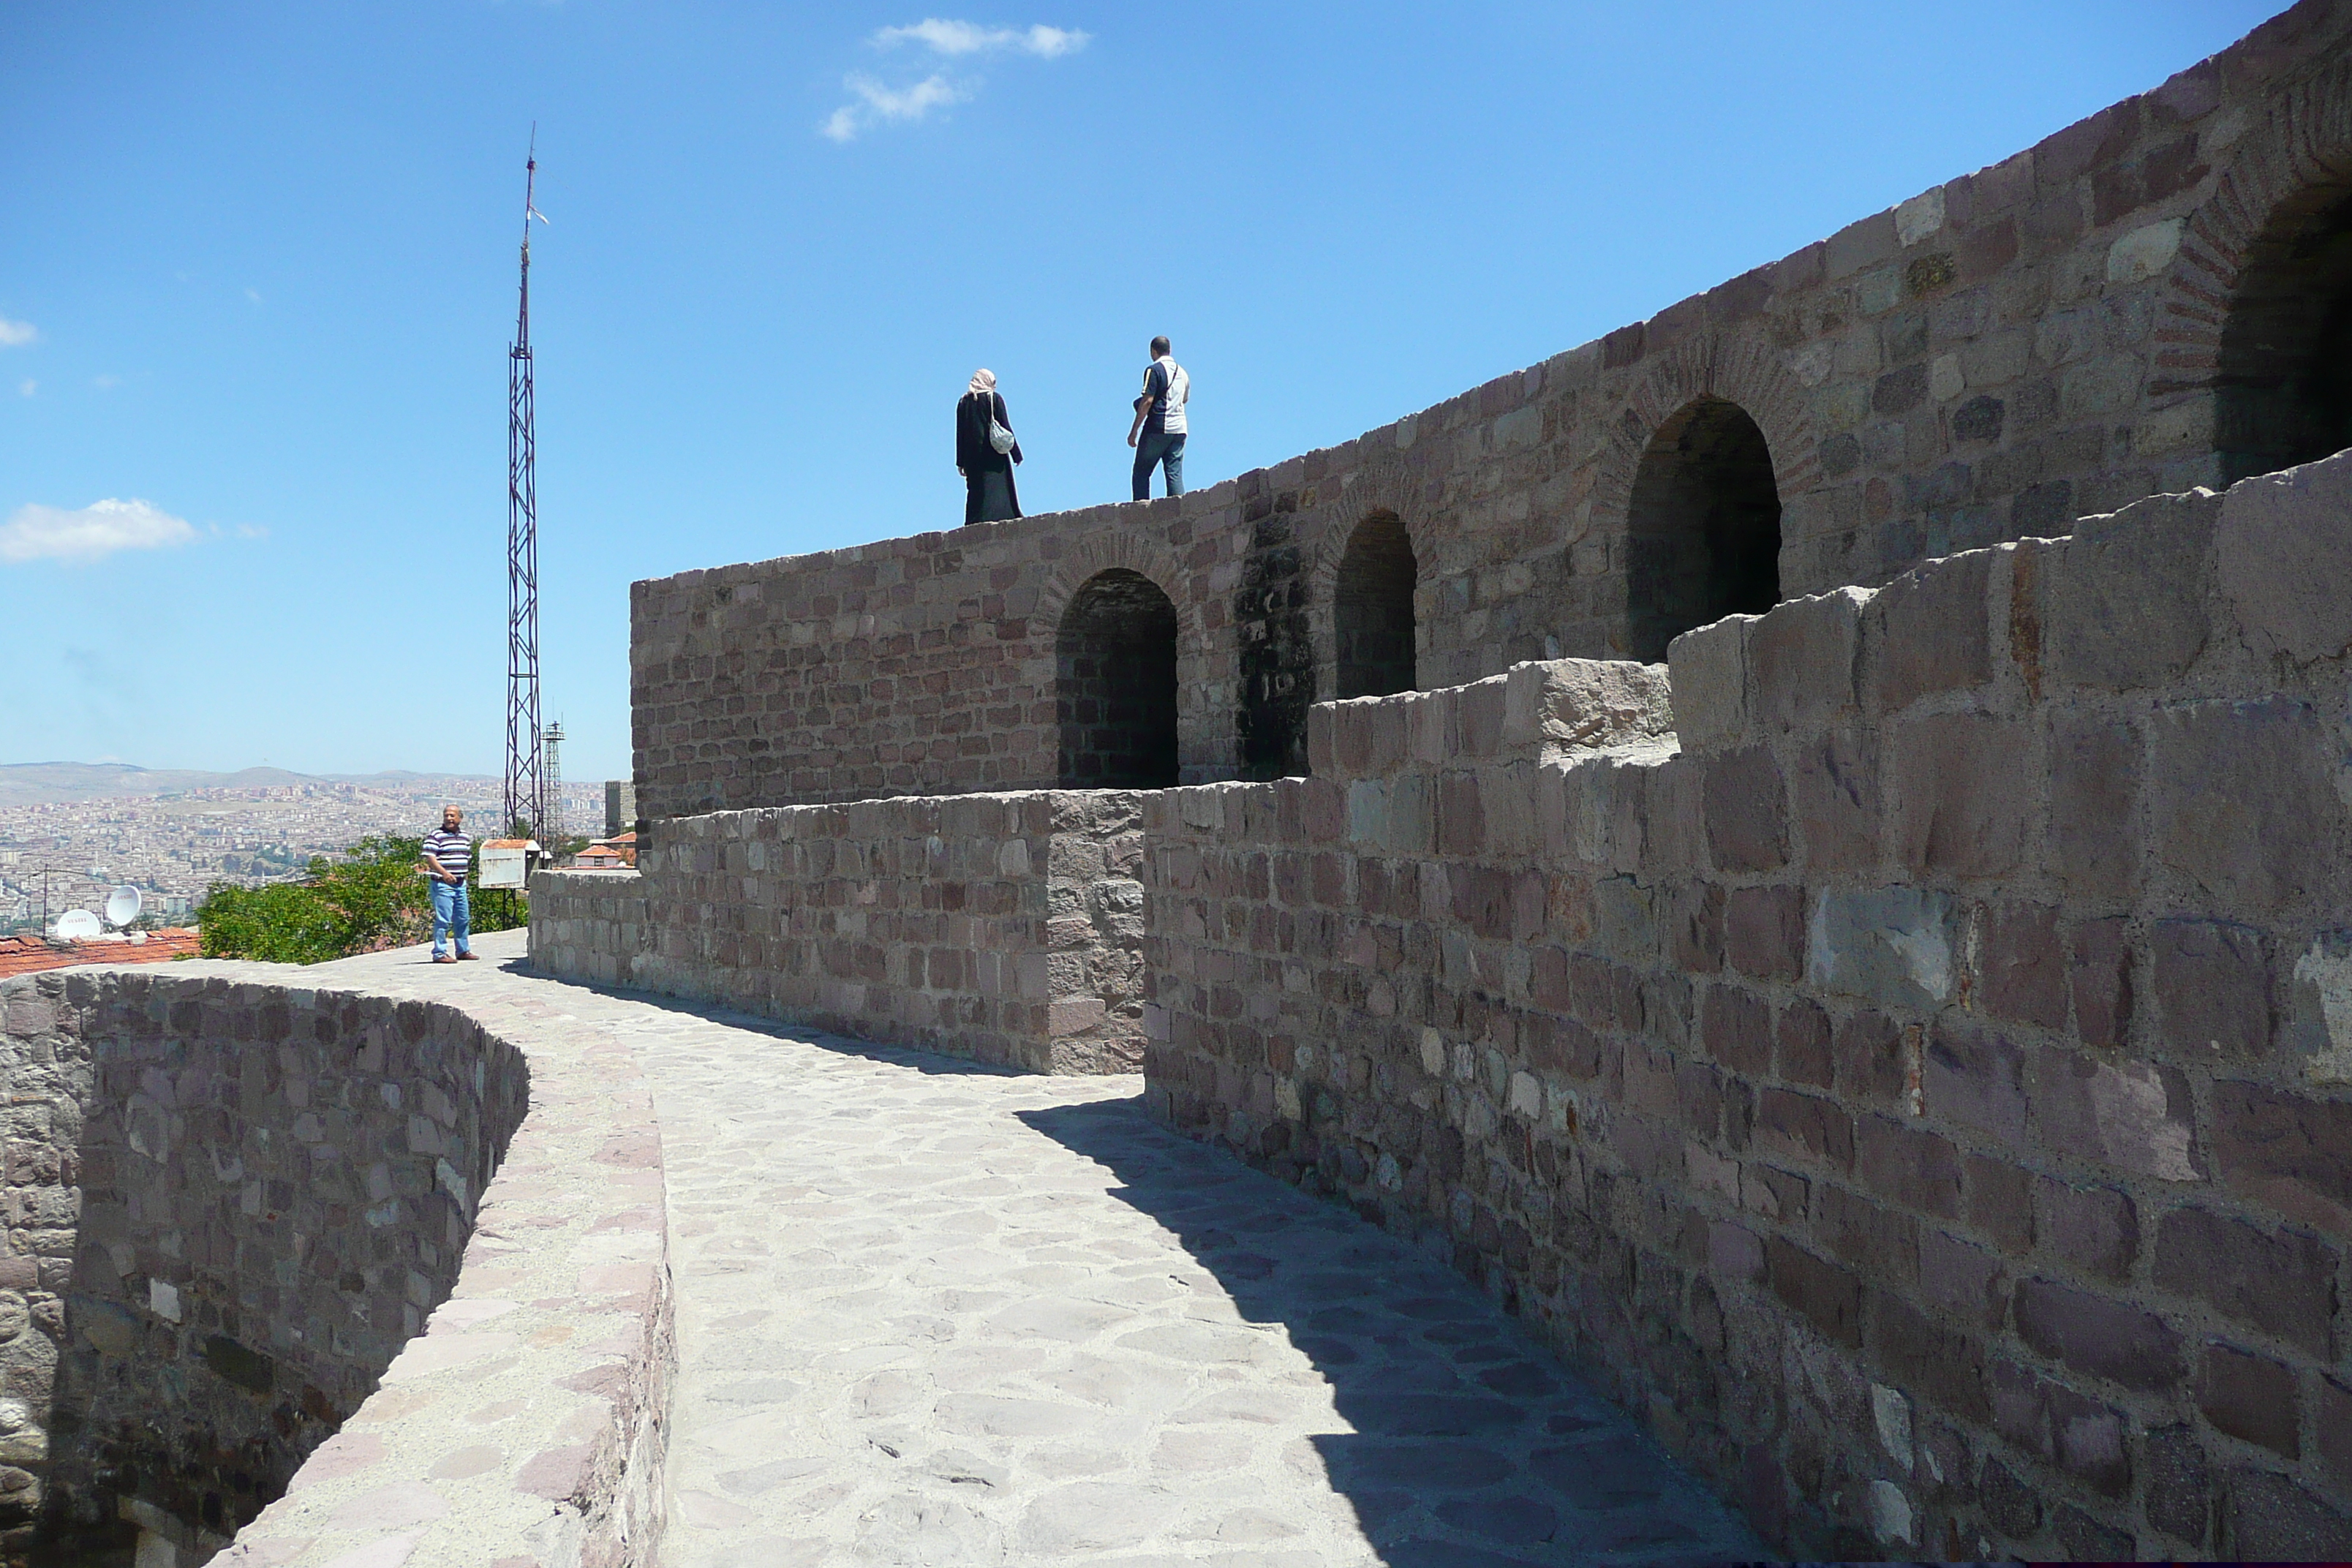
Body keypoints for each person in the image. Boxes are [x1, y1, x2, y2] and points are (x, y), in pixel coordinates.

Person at [957, 369, 1023, 525]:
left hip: (973, 459)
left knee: (976, 493)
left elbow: (960, 435)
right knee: (999, 490)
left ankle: (974, 523)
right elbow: (1006, 427)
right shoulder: (993, 399)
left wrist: (960, 462)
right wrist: (1016, 454)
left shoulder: (963, 403)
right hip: (994, 455)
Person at [1127, 335, 1189, 500]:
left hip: (1159, 427)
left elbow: (1147, 401)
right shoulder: (1183, 373)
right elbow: (1185, 399)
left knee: (1141, 472)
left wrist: (1134, 431)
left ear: (1153, 351)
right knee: (1174, 473)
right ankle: (1179, 512)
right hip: (1180, 430)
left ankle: (1141, 512)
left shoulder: (1153, 370)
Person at [418, 804, 475, 963]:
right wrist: (445, 874)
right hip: (443, 884)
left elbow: (467, 857)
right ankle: (440, 952)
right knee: (443, 919)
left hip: (460, 883)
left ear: (460, 818)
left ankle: (463, 950)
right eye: (446, 815)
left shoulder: (465, 837)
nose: (449, 818)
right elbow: (430, 857)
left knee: (463, 918)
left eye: (452, 815)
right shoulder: (436, 835)